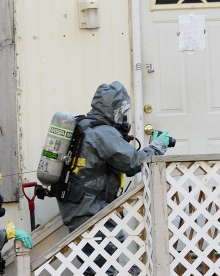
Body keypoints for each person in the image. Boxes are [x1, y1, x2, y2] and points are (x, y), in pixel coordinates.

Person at [59, 81, 170, 232]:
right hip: (92, 207)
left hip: (77, 203)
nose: (123, 116)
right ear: (115, 108)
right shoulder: (103, 132)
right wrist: (156, 147)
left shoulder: (83, 124)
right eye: (122, 111)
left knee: (95, 252)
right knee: (107, 250)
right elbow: (133, 163)